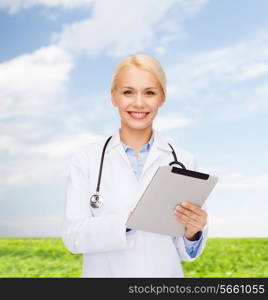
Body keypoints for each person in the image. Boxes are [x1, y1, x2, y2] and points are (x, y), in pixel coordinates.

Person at [62, 54, 208, 277]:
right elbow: (74, 237)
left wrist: (193, 231)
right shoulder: (86, 159)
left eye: (149, 92)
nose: (139, 103)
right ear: (114, 97)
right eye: (128, 92)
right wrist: (126, 222)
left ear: (162, 98)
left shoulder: (183, 160)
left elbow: (181, 249)